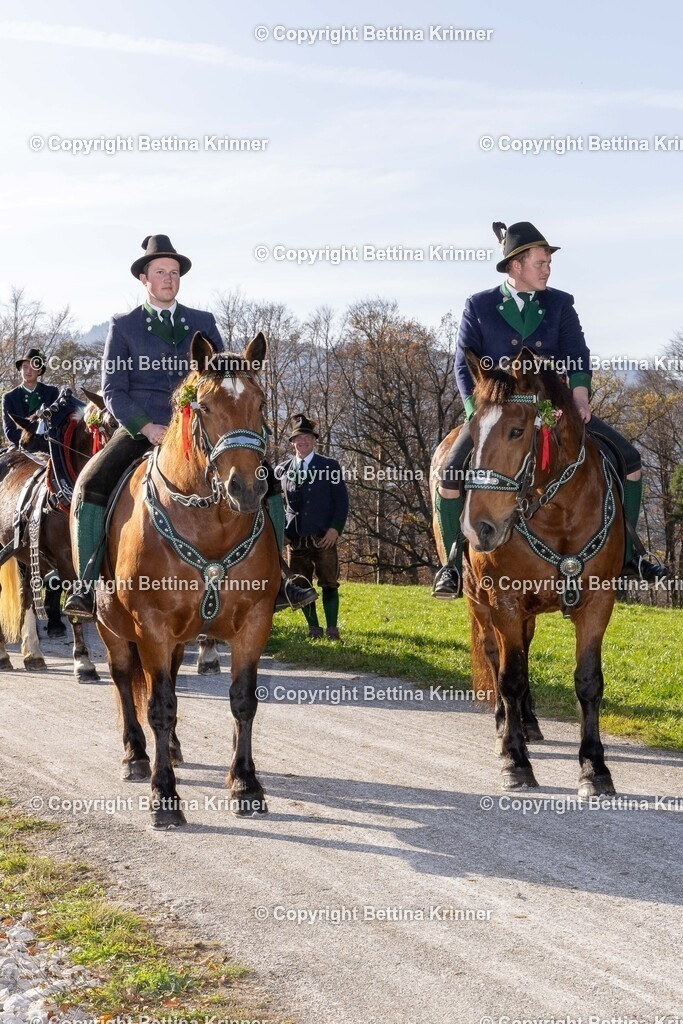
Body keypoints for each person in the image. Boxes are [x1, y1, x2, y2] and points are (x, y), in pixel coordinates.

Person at [64, 234, 316, 618]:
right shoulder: (124, 326)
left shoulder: (203, 322)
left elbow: (226, 375)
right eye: (160, 272)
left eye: (174, 272)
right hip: (143, 430)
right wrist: (145, 427)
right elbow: (113, 389)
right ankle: (84, 585)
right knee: (90, 482)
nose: (168, 278)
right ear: (144, 279)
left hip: (204, 432)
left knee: (267, 483)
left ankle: (279, 579)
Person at [432, 220, 668, 599]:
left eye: (548, 263)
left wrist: (580, 398)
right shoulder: (479, 305)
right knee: (449, 475)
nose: (547, 269)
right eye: (540, 262)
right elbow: (464, 364)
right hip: (498, 413)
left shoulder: (560, 303)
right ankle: (450, 567)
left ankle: (629, 554)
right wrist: (477, 410)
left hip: (554, 409)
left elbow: (577, 355)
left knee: (631, 459)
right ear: (515, 266)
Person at [278, 414, 349, 640]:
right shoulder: (282, 469)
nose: (303, 441)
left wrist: (335, 529)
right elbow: (272, 504)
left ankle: (332, 629)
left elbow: (341, 502)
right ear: (292, 442)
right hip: (295, 539)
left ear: (314, 439)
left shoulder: (329, 466)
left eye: (307, 437)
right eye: (298, 438)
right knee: (301, 584)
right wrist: (280, 532)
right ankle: (313, 629)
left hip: (323, 536)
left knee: (329, 582)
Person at [2, 348, 59, 448]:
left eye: (33, 367)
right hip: (20, 445)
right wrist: (31, 439)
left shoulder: (51, 392)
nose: (28, 371)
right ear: (20, 369)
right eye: (25, 367)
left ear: (39, 371)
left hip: (49, 445)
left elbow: (59, 423)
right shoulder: (9, 397)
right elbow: (10, 431)